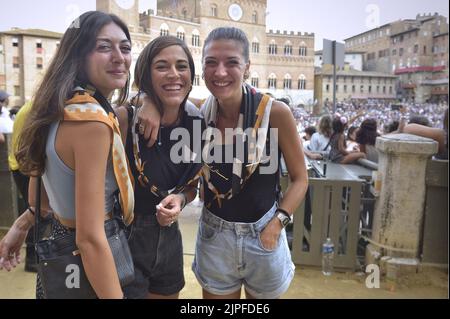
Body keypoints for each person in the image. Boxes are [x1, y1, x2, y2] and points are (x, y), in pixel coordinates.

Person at [138, 27, 309, 299]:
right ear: (202, 68)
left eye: (231, 62)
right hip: (215, 235)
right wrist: (146, 99)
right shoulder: (199, 112)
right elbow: (163, 95)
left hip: (263, 232)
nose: (220, 72)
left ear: (247, 67)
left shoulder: (274, 113)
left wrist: (277, 224)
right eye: (211, 63)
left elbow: (301, 178)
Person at [0, 11, 134, 299]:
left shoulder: (58, 106)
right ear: (78, 55)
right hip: (87, 259)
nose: (119, 56)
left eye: (125, 47)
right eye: (103, 47)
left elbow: (41, 197)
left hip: (59, 248)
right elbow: (89, 238)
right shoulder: (92, 121)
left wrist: (22, 224)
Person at [115, 36, 203, 299]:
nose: (174, 74)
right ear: (146, 73)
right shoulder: (124, 118)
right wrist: (142, 99)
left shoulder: (195, 120)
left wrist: (180, 199)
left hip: (169, 237)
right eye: (162, 66)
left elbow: (191, 187)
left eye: (182, 66)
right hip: (125, 236)